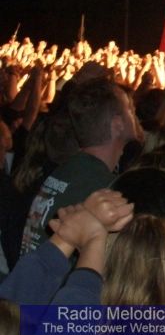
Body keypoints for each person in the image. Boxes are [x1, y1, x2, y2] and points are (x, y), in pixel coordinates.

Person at [21, 78, 141, 254]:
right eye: (130, 109)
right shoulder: (103, 188)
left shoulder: (67, 170)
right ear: (118, 124)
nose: (135, 113)